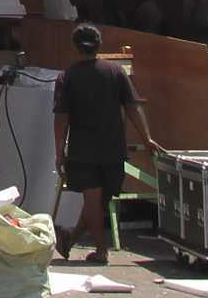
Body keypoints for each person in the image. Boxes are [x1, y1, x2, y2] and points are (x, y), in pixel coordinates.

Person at [52, 23, 158, 266]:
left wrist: (60, 153)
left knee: (94, 199)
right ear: (99, 46)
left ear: (75, 47)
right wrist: (146, 138)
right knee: (102, 199)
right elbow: (132, 107)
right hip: (113, 147)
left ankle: (88, 243)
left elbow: (62, 119)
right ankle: (82, 240)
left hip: (84, 149)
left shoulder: (67, 77)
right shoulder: (115, 71)